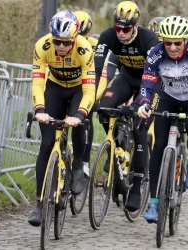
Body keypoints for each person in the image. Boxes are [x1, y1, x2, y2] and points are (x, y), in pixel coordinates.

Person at [137, 16, 188, 222]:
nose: (171, 47)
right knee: (159, 145)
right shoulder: (156, 53)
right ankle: (153, 202)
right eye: (167, 42)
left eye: (177, 43)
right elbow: (147, 83)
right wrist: (144, 103)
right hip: (169, 97)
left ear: (185, 41)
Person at [28, 10, 95, 227]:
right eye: (57, 41)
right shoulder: (42, 46)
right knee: (46, 143)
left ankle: (77, 165)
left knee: (78, 126)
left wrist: (79, 115)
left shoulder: (85, 49)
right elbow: (38, 82)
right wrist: (39, 109)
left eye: (66, 42)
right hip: (54, 88)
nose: (62, 47)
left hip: (78, 90)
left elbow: (89, 91)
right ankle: (39, 203)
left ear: (75, 38)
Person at [94, 1, 159, 212]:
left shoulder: (149, 39)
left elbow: (154, 75)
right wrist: (91, 99)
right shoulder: (107, 36)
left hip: (150, 82)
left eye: (126, 28)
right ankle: (117, 145)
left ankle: (138, 186)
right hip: (127, 77)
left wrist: (141, 103)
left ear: (136, 25)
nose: (121, 33)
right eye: (117, 27)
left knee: (140, 123)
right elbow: (96, 71)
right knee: (105, 106)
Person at [74, 10, 107, 175]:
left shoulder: (95, 44)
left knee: (85, 119)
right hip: (69, 86)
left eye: (84, 35)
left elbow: (103, 74)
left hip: (90, 86)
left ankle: (84, 160)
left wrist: (95, 97)